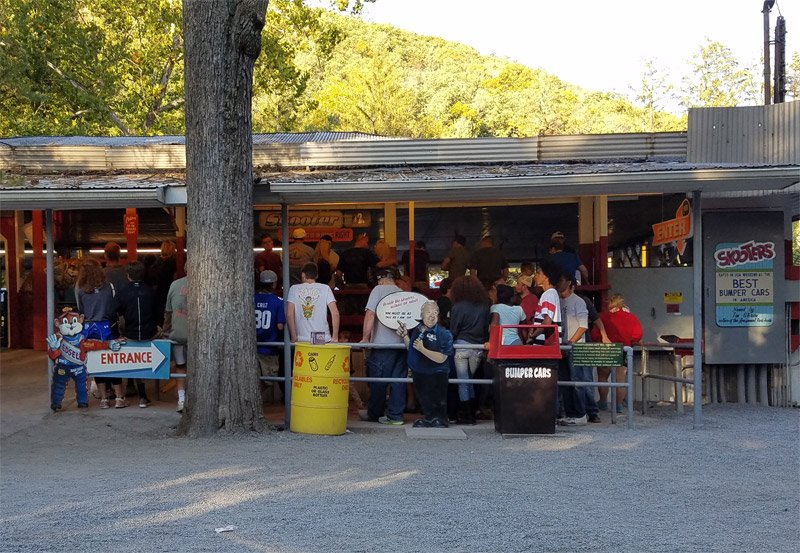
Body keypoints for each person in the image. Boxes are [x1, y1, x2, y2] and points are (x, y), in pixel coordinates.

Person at [76, 258, 126, 408]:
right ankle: (119, 397)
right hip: (108, 327)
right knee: (112, 361)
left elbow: (81, 310)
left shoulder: (80, 288)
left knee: (97, 364)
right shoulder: (108, 286)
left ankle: (104, 399)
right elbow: (115, 306)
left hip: (90, 329)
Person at [359, 267, 406, 425]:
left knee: (378, 381)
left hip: (382, 344)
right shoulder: (402, 293)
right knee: (398, 381)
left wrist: (365, 338)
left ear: (381, 279)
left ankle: (375, 413)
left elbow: (370, 314)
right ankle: (396, 415)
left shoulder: (378, 290)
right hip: (401, 344)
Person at [397, 301, 454, 428]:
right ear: (422, 314)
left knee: (437, 397)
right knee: (424, 397)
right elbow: (412, 347)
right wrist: (405, 335)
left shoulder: (444, 333)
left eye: (435, 312)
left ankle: (440, 419)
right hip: (420, 371)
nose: (431, 316)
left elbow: (442, 357)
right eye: (428, 312)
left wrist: (423, 349)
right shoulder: (418, 330)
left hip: (437, 372)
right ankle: (429, 418)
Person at [449, 275, 491, 425]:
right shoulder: (484, 306)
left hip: (461, 346)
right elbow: (487, 329)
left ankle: (466, 415)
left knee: (462, 382)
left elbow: (453, 330)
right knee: (470, 380)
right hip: (478, 347)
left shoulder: (458, 307)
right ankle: (472, 412)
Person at [591, 293, 643, 413]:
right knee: (620, 380)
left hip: (605, 351)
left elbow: (594, 335)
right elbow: (637, 335)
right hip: (623, 350)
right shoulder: (631, 317)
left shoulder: (603, 317)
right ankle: (618, 405)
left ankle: (603, 402)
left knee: (603, 378)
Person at [116, 261, 157, 408]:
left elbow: (117, 311)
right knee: (144, 358)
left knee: (132, 358)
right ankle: (143, 396)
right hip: (150, 333)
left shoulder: (122, 292)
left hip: (130, 333)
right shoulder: (151, 291)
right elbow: (157, 312)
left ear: (128, 276)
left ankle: (130, 390)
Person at [558, 275, 591, 426]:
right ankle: (570, 413)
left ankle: (580, 413)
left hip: (575, 346)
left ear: (569, 283)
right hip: (563, 345)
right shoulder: (559, 301)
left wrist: (571, 342)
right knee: (565, 381)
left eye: (562, 280)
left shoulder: (579, 301)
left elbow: (583, 325)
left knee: (577, 381)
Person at [286, 262, 339, 343]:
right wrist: (335, 337)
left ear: (303, 275)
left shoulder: (294, 289)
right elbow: (335, 313)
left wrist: (294, 337)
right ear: (316, 275)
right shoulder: (325, 288)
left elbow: (289, 315)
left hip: (302, 338)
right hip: (321, 337)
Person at [255, 270, 286, 403]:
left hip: (252, 346)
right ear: (274, 284)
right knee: (269, 379)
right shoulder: (278, 301)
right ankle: (253, 399)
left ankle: (252, 398)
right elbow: (280, 326)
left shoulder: (251, 298)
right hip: (270, 347)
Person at [163, 273, 188, 413]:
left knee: (180, 365)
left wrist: (166, 329)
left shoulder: (175, 284)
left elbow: (168, 312)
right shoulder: (208, 282)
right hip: (199, 335)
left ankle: (181, 399)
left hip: (177, 334)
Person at [527, 259, 563, 346]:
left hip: (544, 344)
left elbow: (547, 321)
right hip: (550, 343)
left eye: (538, 273)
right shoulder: (553, 293)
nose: (535, 276)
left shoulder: (548, 294)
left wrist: (533, 336)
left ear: (547, 276)